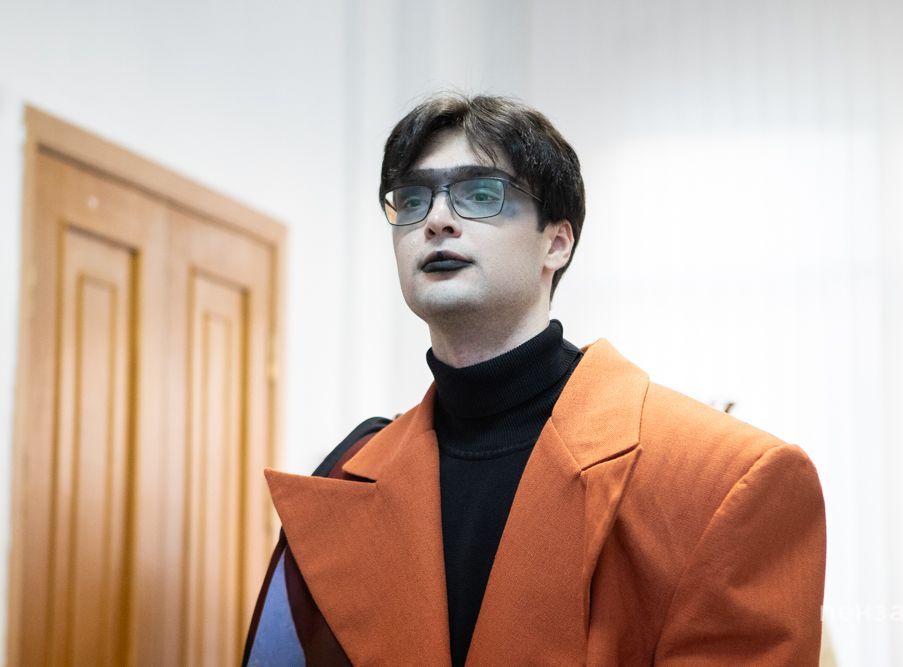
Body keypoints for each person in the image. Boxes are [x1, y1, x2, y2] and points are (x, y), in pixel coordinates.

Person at [243, 94, 827, 666]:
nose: (437, 220)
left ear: (557, 242)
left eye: (480, 194)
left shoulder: (726, 478)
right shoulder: (346, 475)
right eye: (413, 199)